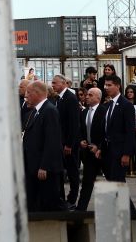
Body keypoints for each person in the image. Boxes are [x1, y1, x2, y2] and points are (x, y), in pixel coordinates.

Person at [22, 81, 64, 212]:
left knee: (47, 204)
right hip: (32, 166)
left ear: (37, 93)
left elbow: (52, 141)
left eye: (28, 93)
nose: (26, 96)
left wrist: (44, 166)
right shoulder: (34, 112)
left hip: (43, 169)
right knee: (33, 203)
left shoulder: (49, 111)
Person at [93, 74, 136, 183]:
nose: (106, 88)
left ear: (118, 86)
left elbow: (130, 131)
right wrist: (100, 148)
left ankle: (124, 201)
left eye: (109, 85)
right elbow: (106, 129)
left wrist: (126, 154)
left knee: (118, 182)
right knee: (113, 182)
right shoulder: (108, 105)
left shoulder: (126, 105)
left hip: (119, 151)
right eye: (105, 85)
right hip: (107, 151)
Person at [50, 74, 81, 208]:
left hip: (69, 144)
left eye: (55, 83)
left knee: (72, 171)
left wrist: (69, 144)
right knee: (63, 171)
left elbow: (74, 124)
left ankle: (72, 199)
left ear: (63, 83)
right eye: (52, 83)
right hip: (62, 142)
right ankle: (63, 198)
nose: (52, 85)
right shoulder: (60, 98)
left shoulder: (70, 98)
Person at [76, 87, 104, 211]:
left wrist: (99, 146)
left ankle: (130, 211)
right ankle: (81, 209)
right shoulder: (84, 112)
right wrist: (81, 140)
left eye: (90, 95)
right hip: (88, 153)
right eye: (87, 95)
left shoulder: (104, 111)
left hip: (103, 153)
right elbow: (81, 130)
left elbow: (107, 132)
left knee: (114, 181)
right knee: (87, 182)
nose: (87, 97)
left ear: (98, 98)